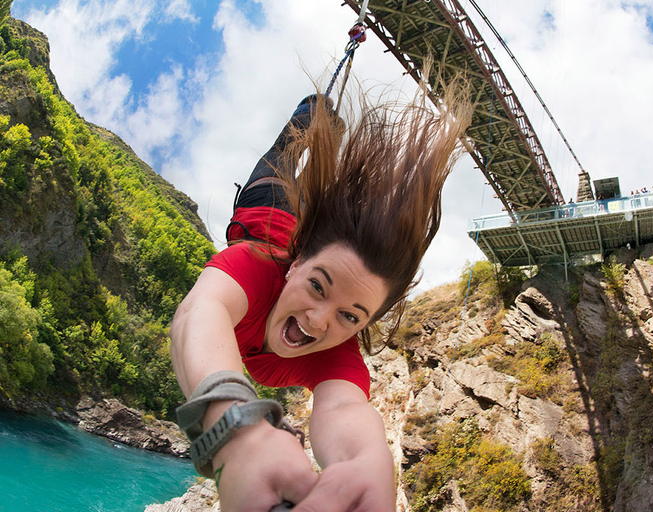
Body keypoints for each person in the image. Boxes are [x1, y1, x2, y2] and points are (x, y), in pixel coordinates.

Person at [170, 81, 471, 512]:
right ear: (294, 266)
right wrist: (235, 432)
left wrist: (367, 462)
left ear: (364, 326)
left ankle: (329, 148)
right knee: (290, 146)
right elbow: (199, 311)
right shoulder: (253, 267)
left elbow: (345, 407)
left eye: (351, 316)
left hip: (307, 226)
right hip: (265, 205)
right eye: (316, 286)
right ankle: (315, 112)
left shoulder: (337, 354)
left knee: (321, 195)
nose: (317, 321)